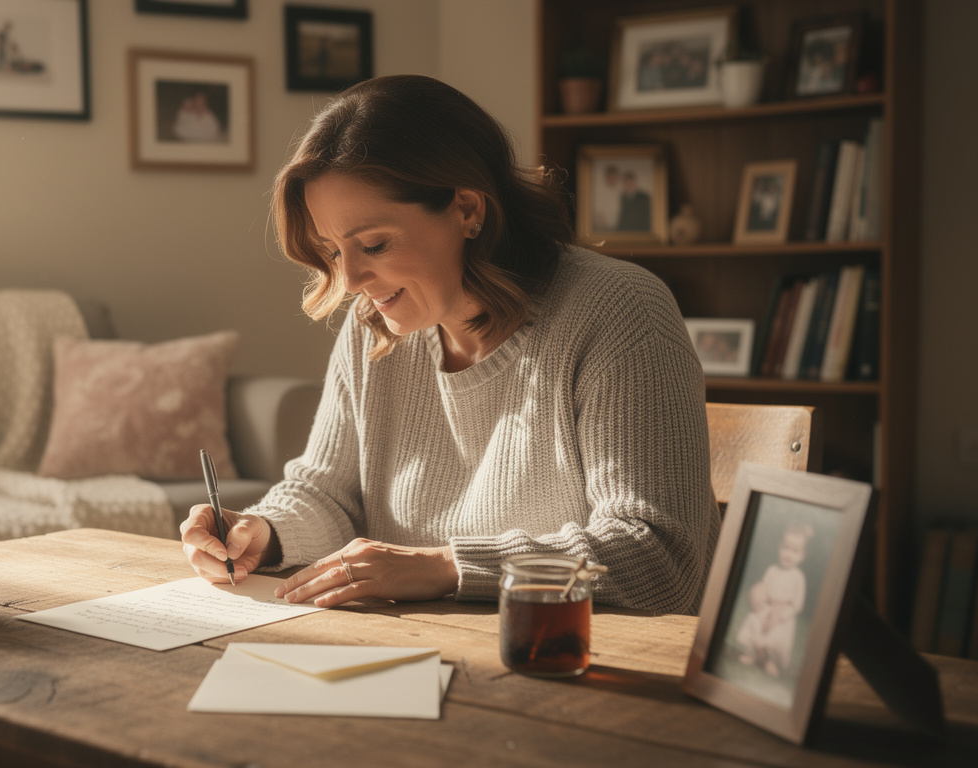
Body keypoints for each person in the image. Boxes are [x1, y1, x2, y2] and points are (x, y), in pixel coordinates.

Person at [179, 75, 718, 615]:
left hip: (580, 652)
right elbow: (330, 494)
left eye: (374, 244)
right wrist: (264, 532)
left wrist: (446, 567)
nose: (351, 282)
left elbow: (657, 557)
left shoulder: (620, 311)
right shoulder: (375, 325)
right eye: (335, 251)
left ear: (467, 210)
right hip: (422, 645)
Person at [736, 521, 814, 677]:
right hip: (767, 608)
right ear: (779, 547)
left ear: (802, 555)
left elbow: (797, 605)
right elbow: (763, 590)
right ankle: (753, 654)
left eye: (794, 551)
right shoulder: (772, 570)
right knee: (754, 621)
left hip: (783, 615)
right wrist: (758, 603)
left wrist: (780, 616)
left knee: (776, 635)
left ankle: (769, 661)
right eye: (785, 548)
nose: (788, 554)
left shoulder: (798, 577)